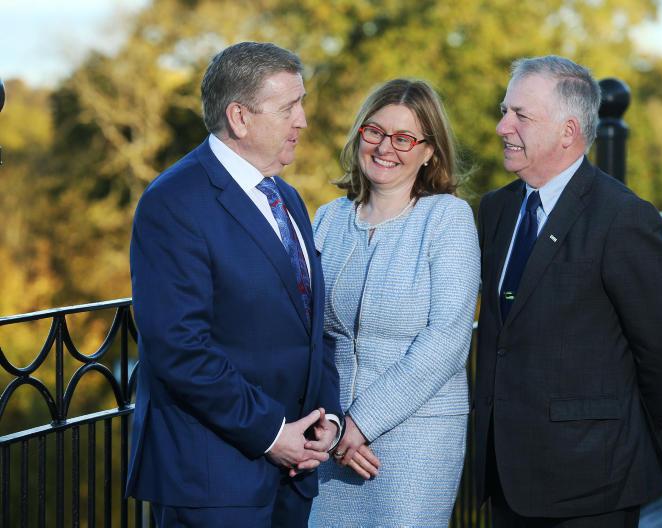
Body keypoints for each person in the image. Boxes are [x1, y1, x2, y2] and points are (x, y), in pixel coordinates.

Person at [126, 42, 342, 527]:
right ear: (240, 118)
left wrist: (325, 421)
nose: (303, 120)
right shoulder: (173, 202)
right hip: (213, 480)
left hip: (294, 472)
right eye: (289, 107)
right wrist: (272, 434)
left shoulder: (287, 197)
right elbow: (179, 347)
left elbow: (311, 325)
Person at [475, 56, 662, 527]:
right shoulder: (496, 209)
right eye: (504, 111)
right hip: (507, 477)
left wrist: (614, 428)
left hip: (593, 482)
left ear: (568, 132)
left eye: (520, 115)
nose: (502, 127)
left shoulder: (623, 217)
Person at [308, 79, 480, 526]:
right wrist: (333, 427)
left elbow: (448, 340)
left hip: (416, 439)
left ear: (429, 152)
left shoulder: (448, 219)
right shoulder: (328, 219)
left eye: (404, 138)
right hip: (330, 437)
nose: (385, 147)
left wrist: (360, 424)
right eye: (375, 132)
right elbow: (306, 333)